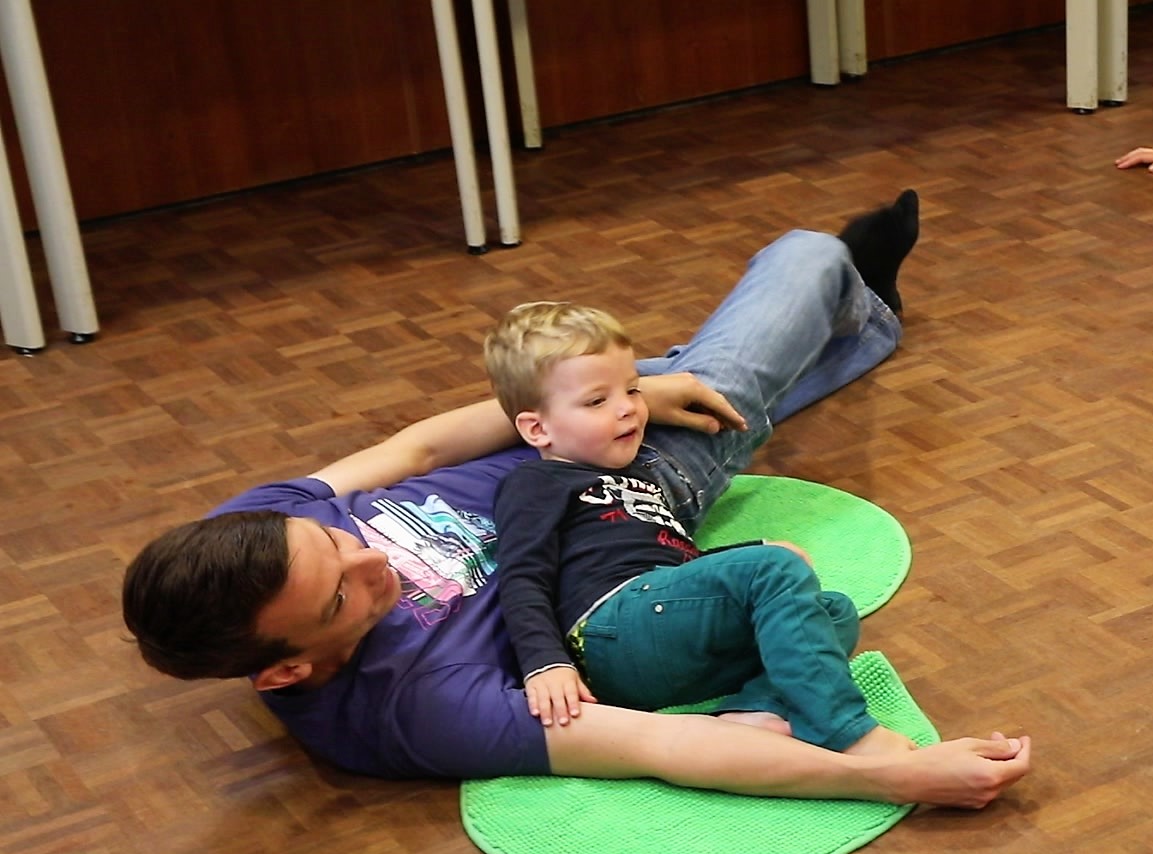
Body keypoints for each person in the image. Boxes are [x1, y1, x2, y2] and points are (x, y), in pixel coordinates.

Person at [122, 190, 1032, 809]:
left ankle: (849, 314)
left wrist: (616, 394)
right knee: (802, 260)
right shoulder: (409, 711)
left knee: (707, 368)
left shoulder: (243, 535)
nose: (370, 555)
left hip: (563, 434)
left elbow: (423, 447)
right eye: (342, 592)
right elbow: (654, 747)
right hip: (634, 493)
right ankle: (853, 295)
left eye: (334, 538)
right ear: (285, 670)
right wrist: (894, 776)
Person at [485, 298, 914, 763]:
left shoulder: (638, 478)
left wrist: (756, 549)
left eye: (632, 390)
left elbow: (675, 564)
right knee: (774, 571)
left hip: (663, 631)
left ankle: (751, 711)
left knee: (831, 611)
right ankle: (843, 729)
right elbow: (522, 575)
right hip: (613, 630)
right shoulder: (534, 482)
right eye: (597, 401)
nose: (628, 410)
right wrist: (545, 663)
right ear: (537, 428)